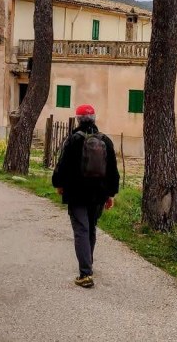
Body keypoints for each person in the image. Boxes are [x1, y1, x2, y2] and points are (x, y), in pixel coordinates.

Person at [51, 104, 120, 288]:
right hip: (99, 194)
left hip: (77, 193)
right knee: (91, 228)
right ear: (94, 119)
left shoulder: (74, 140)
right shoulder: (106, 140)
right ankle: (88, 265)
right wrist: (111, 194)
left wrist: (58, 184)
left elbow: (62, 165)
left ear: (78, 119)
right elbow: (113, 170)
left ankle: (85, 273)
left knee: (81, 230)